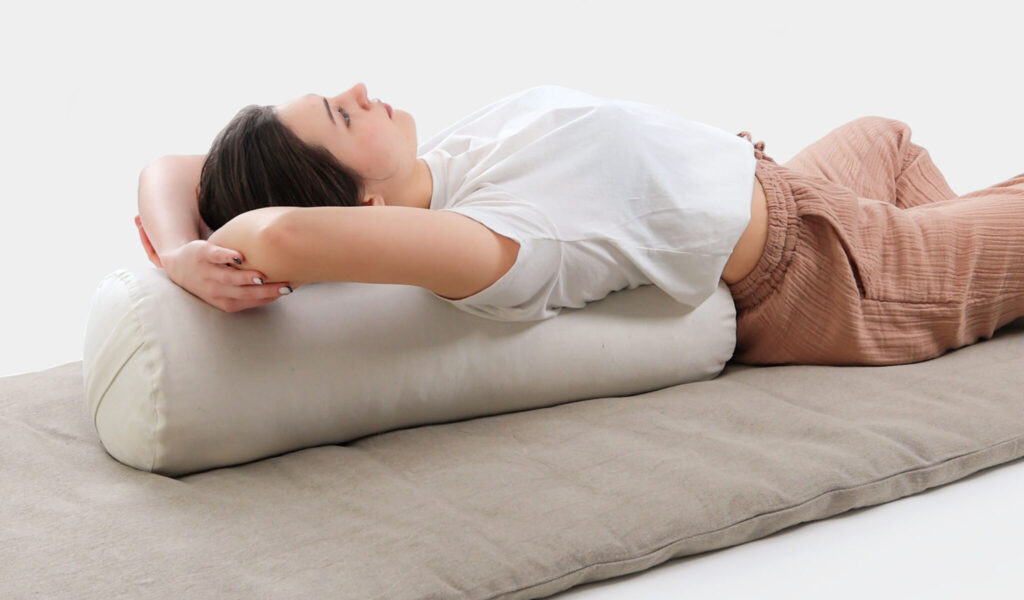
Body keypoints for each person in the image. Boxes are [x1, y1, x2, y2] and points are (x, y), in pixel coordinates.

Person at [136, 83, 1024, 368]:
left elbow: (171, 168)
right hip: (837, 271)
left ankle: (979, 293)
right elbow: (281, 236)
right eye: (340, 114)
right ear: (356, 211)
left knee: (886, 138)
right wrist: (203, 262)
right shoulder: (483, 243)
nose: (360, 89)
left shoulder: (436, 167)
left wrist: (178, 247)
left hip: (792, 187)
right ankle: (945, 295)